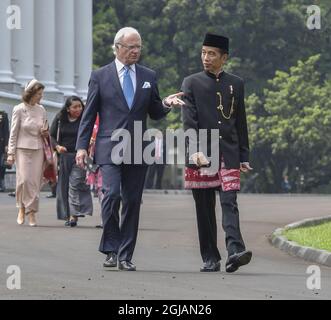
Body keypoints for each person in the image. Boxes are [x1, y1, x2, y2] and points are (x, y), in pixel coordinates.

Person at [75, 27, 184, 271]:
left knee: (133, 201)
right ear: (117, 47)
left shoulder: (148, 75)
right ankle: (111, 248)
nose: (136, 51)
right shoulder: (100, 76)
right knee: (111, 195)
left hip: (138, 148)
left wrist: (166, 103)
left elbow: (155, 111)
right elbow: (89, 114)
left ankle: (125, 255)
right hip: (108, 146)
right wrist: (81, 147)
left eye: (138, 47)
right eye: (131, 47)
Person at [181, 33, 252, 273]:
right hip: (201, 154)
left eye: (212, 54)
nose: (206, 58)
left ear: (224, 57)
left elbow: (240, 121)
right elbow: (189, 122)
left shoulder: (237, 83)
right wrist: (195, 152)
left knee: (229, 201)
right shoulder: (190, 83)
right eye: (203, 53)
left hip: (229, 153)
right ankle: (210, 257)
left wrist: (244, 156)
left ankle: (235, 251)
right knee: (204, 208)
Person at [7, 79, 48, 226]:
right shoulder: (19, 109)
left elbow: (45, 129)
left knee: (34, 183)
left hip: (38, 148)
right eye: (38, 94)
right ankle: (22, 208)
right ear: (30, 93)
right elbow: (13, 132)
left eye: (41, 94)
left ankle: (32, 213)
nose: (40, 97)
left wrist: (45, 132)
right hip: (21, 149)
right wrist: (10, 153)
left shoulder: (42, 109)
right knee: (23, 180)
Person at [50, 96, 93, 227]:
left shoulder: (85, 119)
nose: (78, 109)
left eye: (80, 106)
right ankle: (68, 214)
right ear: (68, 108)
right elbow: (51, 136)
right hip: (64, 156)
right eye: (75, 107)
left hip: (80, 156)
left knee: (75, 183)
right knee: (64, 186)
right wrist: (57, 146)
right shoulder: (60, 119)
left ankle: (74, 216)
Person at [0, 110, 9, 192]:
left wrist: (7, 144)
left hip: (1, 145)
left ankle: (2, 181)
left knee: (2, 164)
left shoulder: (3, 115)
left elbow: (6, 131)